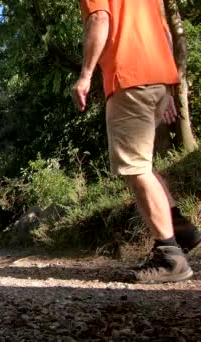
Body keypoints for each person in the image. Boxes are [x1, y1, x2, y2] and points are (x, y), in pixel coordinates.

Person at [73, 0, 201, 283]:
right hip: (157, 79)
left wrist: (85, 76)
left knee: (134, 168)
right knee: (142, 163)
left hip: (129, 79)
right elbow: (165, 33)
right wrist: (168, 86)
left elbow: (99, 20)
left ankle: (169, 256)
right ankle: (180, 229)